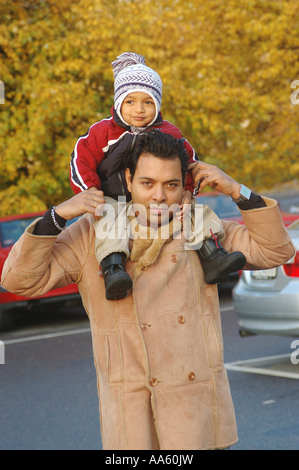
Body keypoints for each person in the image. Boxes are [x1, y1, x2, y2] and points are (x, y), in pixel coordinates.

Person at [1, 132, 295, 450]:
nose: (159, 197)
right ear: (128, 180)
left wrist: (239, 191)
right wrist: (56, 218)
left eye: (170, 185)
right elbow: (18, 280)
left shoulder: (201, 226)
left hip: (196, 413)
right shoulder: (92, 234)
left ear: (183, 185)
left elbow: (276, 252)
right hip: (131, 414)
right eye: (147, 183)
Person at [70, 52, 246, 300]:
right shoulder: (103, 131)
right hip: (112, 195)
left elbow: (189, 163)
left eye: (148, 102)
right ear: (118, 102)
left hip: (156, 195)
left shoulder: (168, 132)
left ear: (158, 104)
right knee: (109, 219)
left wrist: (187, 190)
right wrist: (90, 191)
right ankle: (113, 268)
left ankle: (212, 253)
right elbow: (81, 158)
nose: (139, 110)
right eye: (130, 102)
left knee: (193, 210)